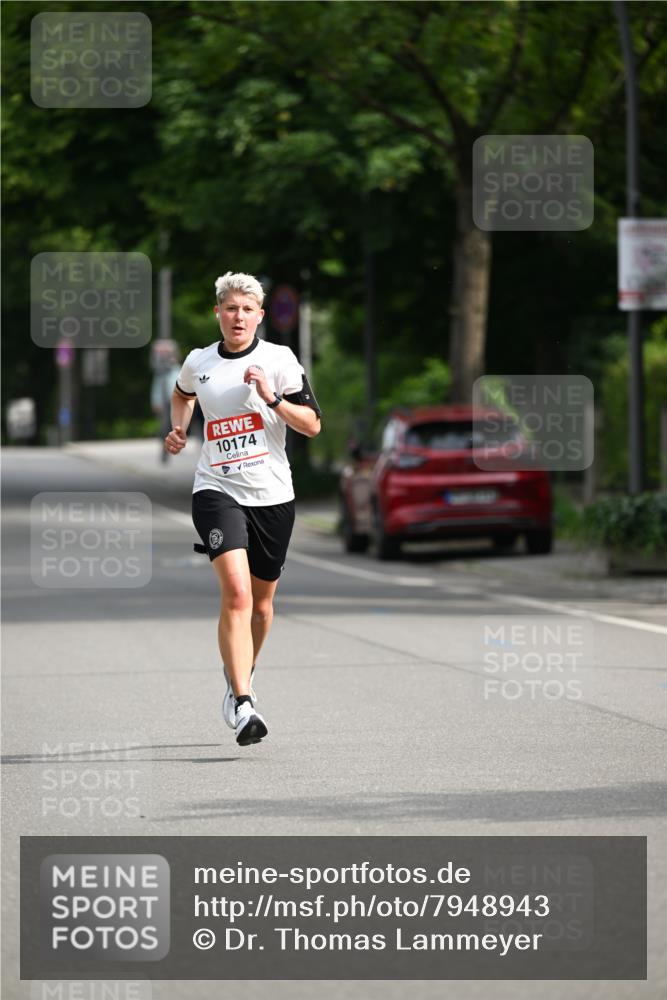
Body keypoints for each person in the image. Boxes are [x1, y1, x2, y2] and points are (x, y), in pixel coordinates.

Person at [164, 272, 321, 746]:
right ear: (219, 312)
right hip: (216, 489)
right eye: (230, 308)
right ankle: (245, 700)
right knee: (236, 593)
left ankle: (240, 677)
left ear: (259, 315)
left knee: (263, 604)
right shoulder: (200, 361)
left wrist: (271, 397)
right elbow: (182, 394)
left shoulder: (279, 360)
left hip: (273, 495)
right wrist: (178, 429)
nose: (238, 317)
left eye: (247, 309)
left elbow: (312, 424)